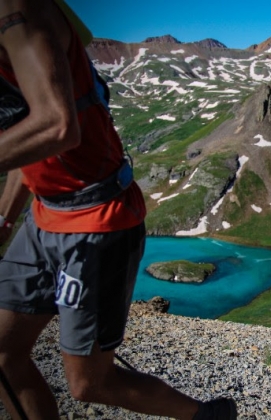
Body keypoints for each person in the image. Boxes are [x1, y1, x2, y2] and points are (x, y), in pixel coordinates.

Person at [0, 1, 236, 419]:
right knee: (3, 355)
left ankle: (206, 417)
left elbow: (57, 125)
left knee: (89, 383)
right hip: (43, 214)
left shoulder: (17, 12)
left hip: (95, 217)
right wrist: (4, 218)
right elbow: (25, 131)